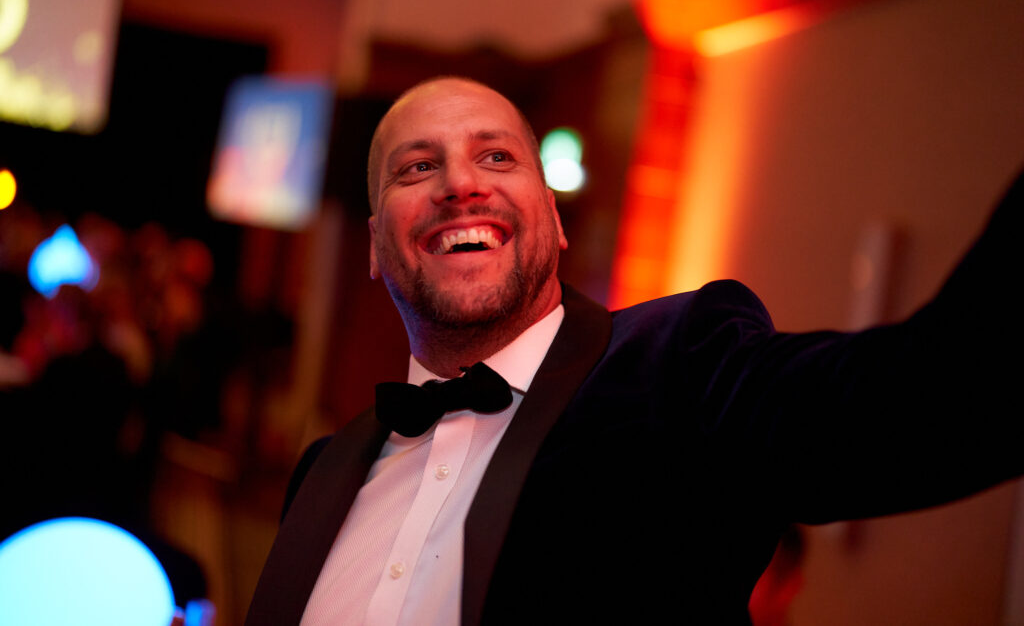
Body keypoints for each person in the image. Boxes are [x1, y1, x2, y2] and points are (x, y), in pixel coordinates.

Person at [246, 77, 1023, 625]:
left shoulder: (679, 368)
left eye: (497, 157)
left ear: (554, 219)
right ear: (375, 243)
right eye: (418, 167)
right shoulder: (323, 471)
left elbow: (929, 395)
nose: (459, 184)